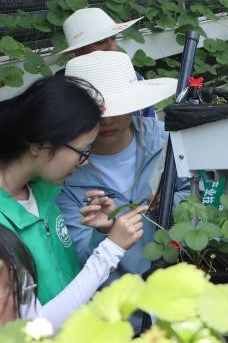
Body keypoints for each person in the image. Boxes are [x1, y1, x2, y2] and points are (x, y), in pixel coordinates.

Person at [0, 76, 145, 328]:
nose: (85, 162)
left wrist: (103, 233)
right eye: (83, 150)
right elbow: (36, 325)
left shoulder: (43, 193)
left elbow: (69, 279)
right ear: (40, 144)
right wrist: (109, 251)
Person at [57, 51, 187, 284]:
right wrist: (104, 233)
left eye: (116, 108)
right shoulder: (65, 173)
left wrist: (170, 203)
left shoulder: (167, 141)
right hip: (118, 300)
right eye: (96, 112)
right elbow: (82, 262)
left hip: (182, 284)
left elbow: (199, 199)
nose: (107, 120)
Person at [56, 7, 156, 118]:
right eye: (100, 42)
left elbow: (150, 122)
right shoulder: (58, 91)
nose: (111, 47)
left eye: (113, 38)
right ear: (76, 50)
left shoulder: (133, 78)